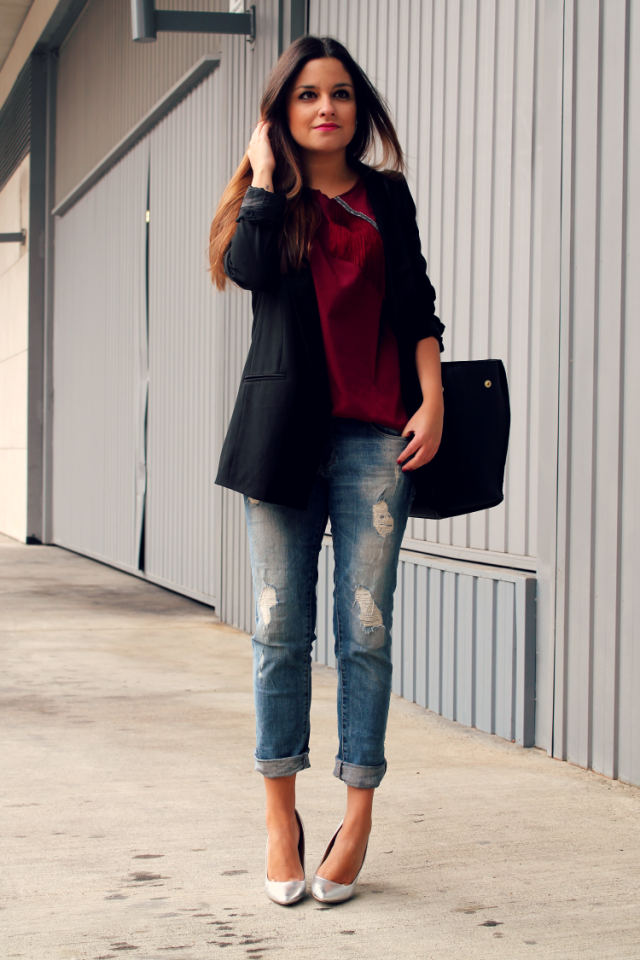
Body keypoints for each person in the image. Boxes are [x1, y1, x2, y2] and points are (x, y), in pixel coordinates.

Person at [208, 35, 444, 906]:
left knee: (366, 634)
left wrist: (433, 400)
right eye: (306, 95)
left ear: (358, 106)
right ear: (284, 111)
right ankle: (280, 817)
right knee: (278, 632)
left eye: (340, 94)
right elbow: (246, 270)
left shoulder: (387, 197)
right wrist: (265, 174)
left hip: (379, 438)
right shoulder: (272, 201)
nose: (325, 109)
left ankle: (359, 814)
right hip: (282, 441)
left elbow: (418, 303)